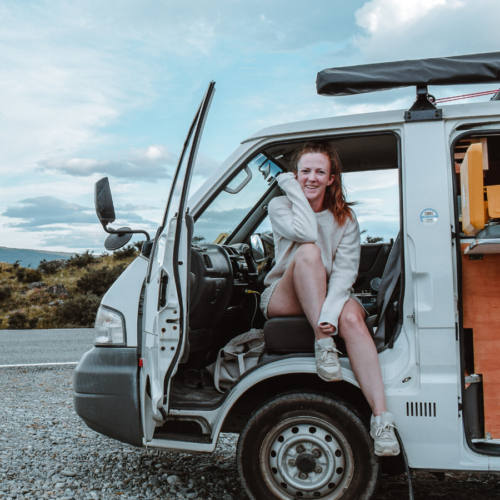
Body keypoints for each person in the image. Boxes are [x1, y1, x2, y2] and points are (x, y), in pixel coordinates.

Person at [260, 142, 400, 457]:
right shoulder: (281, 206)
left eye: (319, 172)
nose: (311, 178)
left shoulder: (345, 217)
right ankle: (324, 343)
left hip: (326, 291)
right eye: (304, 172)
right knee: (309, 252)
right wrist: (289, 187)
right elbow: (307, 233)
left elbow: (345, 273)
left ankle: (381, 420)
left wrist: (333, 311)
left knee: (351, 318)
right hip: (283, 295)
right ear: (295, 176)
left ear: (331, 179)